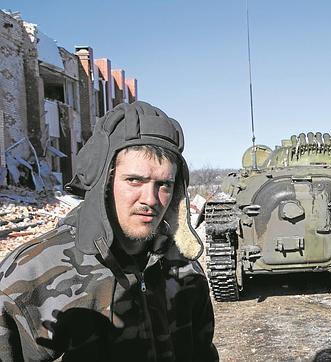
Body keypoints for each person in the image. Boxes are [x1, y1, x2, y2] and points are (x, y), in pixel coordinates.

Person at [0, 101, 218, 361]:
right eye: (134, 180)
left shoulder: (184, 267)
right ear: (104, 181)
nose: (150, 199)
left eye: (164, 184)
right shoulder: (29, 275)